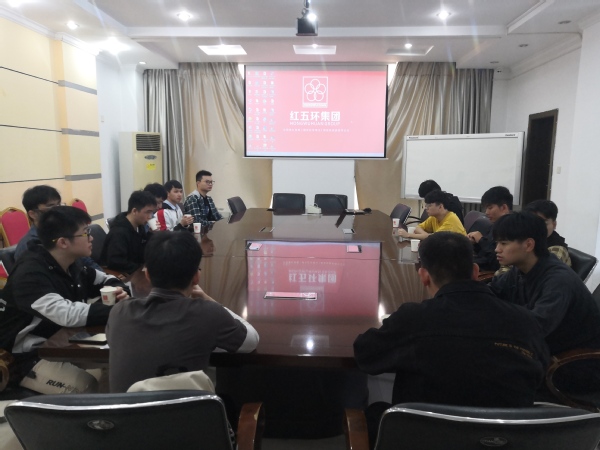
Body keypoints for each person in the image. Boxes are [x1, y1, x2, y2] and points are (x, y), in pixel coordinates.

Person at [354, 232, 548, 444]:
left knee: (375, 412)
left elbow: (365, 355)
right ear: (475, 272)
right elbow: (540, 372)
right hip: (505, 440)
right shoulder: (526, 321)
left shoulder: (414, 319)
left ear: (424, 276)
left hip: (426, 439)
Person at [107, 231, 259, 393]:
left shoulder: (119, 312)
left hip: (128, 409)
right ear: (196, 277)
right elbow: (251, 341)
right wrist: (208, 299)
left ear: (148, 275)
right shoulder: (207, 314)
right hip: (187, 409)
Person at [0, 206, 129, 378]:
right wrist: (121, 309)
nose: (91, 238)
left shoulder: (71, 262)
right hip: (24, 356)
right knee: (88, 384)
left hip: (61, 340)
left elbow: (103, 279)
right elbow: (67, 314)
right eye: (85, 233)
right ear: (63, 242)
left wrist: (121, 290)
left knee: (117, 365)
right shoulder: (30, 274)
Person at [490, 212, 600, 357]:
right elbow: (492, 290)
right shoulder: (520, 269)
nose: (497, 249)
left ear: (529, 245)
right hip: (542, 344)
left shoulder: (558, 280)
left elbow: (537, 327)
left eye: (504, 243)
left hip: (573, 357)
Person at [15, 185, 103, 271]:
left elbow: (86, 262)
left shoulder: (64, 232)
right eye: (51, 206)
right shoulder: (28, 246)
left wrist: (104, 277)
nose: (58, 211)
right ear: (32, 214)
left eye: (59, 205)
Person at [100, 190, 156, 274]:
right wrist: (141, 269)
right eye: (148, 212)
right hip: (121, 275)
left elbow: (143, 251)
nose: (150, 216)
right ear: (134, 211)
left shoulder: (139, 226)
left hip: (135, 270)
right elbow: (116, 262)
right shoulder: (118, 232)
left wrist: (151, 234)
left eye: (152, 212)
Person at [468, 186, 512, 271]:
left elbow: (495, 260)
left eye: (490, 208)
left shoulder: (511, 228)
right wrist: (475, 242)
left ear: (503, 208)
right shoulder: (495, 225)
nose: (486, 212)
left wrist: (481, 240)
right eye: (486, 208)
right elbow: (485, 252)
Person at [398, 190, 466, 240]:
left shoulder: (451, 220)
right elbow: (418, 228)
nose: (426, 208)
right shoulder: (434, 217)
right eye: (426, 205)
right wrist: (426, 235)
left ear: (440, 207)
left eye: (429, 205)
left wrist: (408, 235)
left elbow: (432, 239)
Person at [524, 199, 571, 266]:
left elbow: (541, 269)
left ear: (554, 225)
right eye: (531, 222)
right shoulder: (527, 240)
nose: (536, 227)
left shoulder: (557, 249)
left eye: (543, 224)